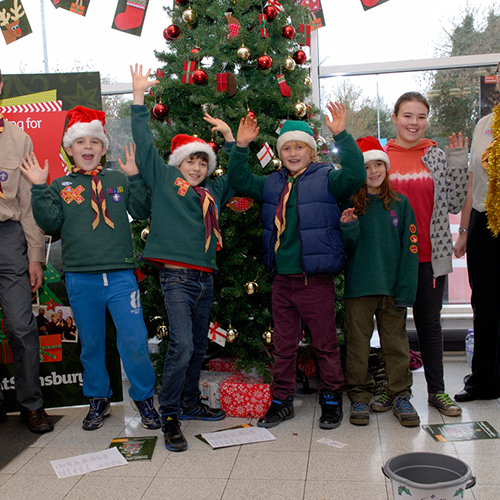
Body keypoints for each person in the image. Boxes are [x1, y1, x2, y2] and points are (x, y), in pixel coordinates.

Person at [19, 105, 161, 432]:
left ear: (103, 147)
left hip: (121, 277)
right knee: (92, 344)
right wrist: (40, 187)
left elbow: (140, 210)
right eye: (80, 142)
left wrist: (136, 177)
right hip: (82, 280)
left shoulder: (117, 179)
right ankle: (98, 399)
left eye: (94, 142)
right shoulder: (59, 186)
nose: (87, 148)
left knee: (134, 340)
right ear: (69, 149)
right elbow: (50, 223)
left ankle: (144, 399)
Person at [227, 102, 366, 430]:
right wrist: (241, 145)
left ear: (312, 151)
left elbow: (357, 174)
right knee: (283, 346)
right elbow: (239, 179)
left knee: (325, 344)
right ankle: (282, 400)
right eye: (286, 147)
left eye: (299, 147)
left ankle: (331, 398)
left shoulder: (328, 180)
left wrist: (342, 135)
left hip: (314, 281)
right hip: (283, 282)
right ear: (280, 152)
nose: (292, 152)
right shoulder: (272, 183)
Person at [130, 64, 236, 452]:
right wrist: (139, 99)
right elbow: (143, 144)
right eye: (190, 160)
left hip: (204, 277)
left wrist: (229, 139)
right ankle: (170, 414)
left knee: (196, 345)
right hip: (175, 277)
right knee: (182, 346)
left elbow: (235, 174)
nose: (196, 166)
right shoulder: (166, 181)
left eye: (202, 161)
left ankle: (189, 403)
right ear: (178, 163)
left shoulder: (211, 193)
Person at [372, 91, 468, 417]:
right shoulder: (382, 157)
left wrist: (457, 161)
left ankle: (437, 392)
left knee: (430, 325)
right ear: (396, 117)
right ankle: (394, 391)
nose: (414, 123)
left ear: (427, 120)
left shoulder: (437, 156)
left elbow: (455, 204)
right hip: (391, 259)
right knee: (391, 327)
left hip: (430, 256)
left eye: (421, 117)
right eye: (407, 116)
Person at [340, 136, 419, 427]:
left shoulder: (400, 204)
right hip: (359, 287)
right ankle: (359, 395)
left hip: (392, 288)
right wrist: (348, 227)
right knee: (357, 345)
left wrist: (406, 289)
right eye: (367, 166)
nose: (373, 171)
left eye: (378, 164)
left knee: (396, 344)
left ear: (386, 167)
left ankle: (400, 395)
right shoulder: (350, 204)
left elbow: (411, 250)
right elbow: (344, 249)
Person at [0, 69, 54, 433]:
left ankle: (31, 405)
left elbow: (29, 203)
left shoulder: (19, 139)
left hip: (7, 238)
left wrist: (35, 255)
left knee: (22, 327)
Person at [454, 61, 500, 402]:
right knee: (484, 304)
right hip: (485, 224)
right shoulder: (485, 124)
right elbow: (473, 182)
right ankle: (484, 381)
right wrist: (466, 230)